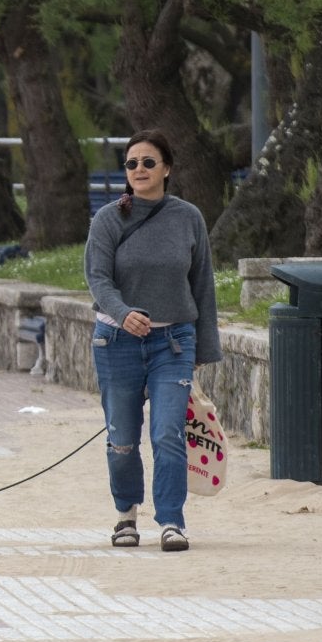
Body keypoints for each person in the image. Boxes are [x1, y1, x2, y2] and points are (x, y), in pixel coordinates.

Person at [84, 128, 221, 554]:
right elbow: (97, 279)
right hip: (116, 341)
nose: (139, 170)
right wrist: (125, 315)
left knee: (167, 434)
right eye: (131, 164)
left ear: (167, 169)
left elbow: (203, 285)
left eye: (148, 162)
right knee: (122, 438)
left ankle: (171, 522)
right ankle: (126, 513)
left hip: (173, 343)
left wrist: (204, 348)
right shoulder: (109, 218)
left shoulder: (188, 217)